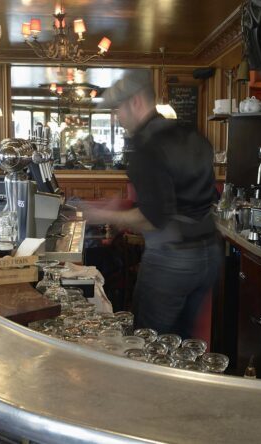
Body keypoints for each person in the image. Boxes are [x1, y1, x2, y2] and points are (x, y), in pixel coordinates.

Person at [83, 71, 221, 339]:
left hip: (172, 260)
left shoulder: (145, 148)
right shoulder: (191, 134)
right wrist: (121, 206)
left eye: (118, 109)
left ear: (135, 102)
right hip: (208, 254)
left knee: (149, 343)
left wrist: (100, 215)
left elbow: (153, 217)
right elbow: (197, 196)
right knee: (185, 343)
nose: (117, 118)